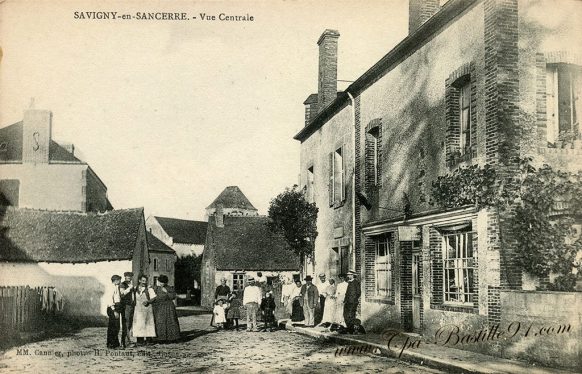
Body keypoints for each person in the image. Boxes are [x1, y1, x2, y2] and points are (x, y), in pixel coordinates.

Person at [152, 274, 181, 342]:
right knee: (160, 322)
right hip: (159, 307)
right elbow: (153, 296)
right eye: (160, 282)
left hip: (169, 307)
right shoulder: (156, 288)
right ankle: (160, 338)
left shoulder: (169, 288)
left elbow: (173, 296)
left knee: (171, 322)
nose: (161, 284)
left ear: (165, 282)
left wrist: (167, 292)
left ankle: (172, 337)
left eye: (162, 282)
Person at [133, 274, 157, 345]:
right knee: (139, 324)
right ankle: (140, 340)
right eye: (142, 281)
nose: (144, 282)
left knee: (148, 324)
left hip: (147, 309)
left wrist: (148, 301)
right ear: (139, 280)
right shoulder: (135, 288)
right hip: (138, 309)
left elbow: (154, 298)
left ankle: (149, 340)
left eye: (145, 281)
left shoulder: (149, 289)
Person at [119, 272, 136, 348]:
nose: (129, 277)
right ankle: (124, 342)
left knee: (129, 323)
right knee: (126, 323)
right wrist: (129, 288)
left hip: (131, 305)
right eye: (127, 276)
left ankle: (128, 341)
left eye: (130, 276)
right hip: (126, 306)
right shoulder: (123, 284)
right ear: (125, 277)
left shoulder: (131, 285)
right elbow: (122, 294)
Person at [106, 275, 122, 349]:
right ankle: (114, 344)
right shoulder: (111, 288)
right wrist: (114, 310)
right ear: (115, 280)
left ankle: (111, 344)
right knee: (114, 327)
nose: (120, 281)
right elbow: (109, 299)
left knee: (114, 326)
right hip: (113, 308)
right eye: (119, 280)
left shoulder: (115, 287)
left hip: (116, 307)